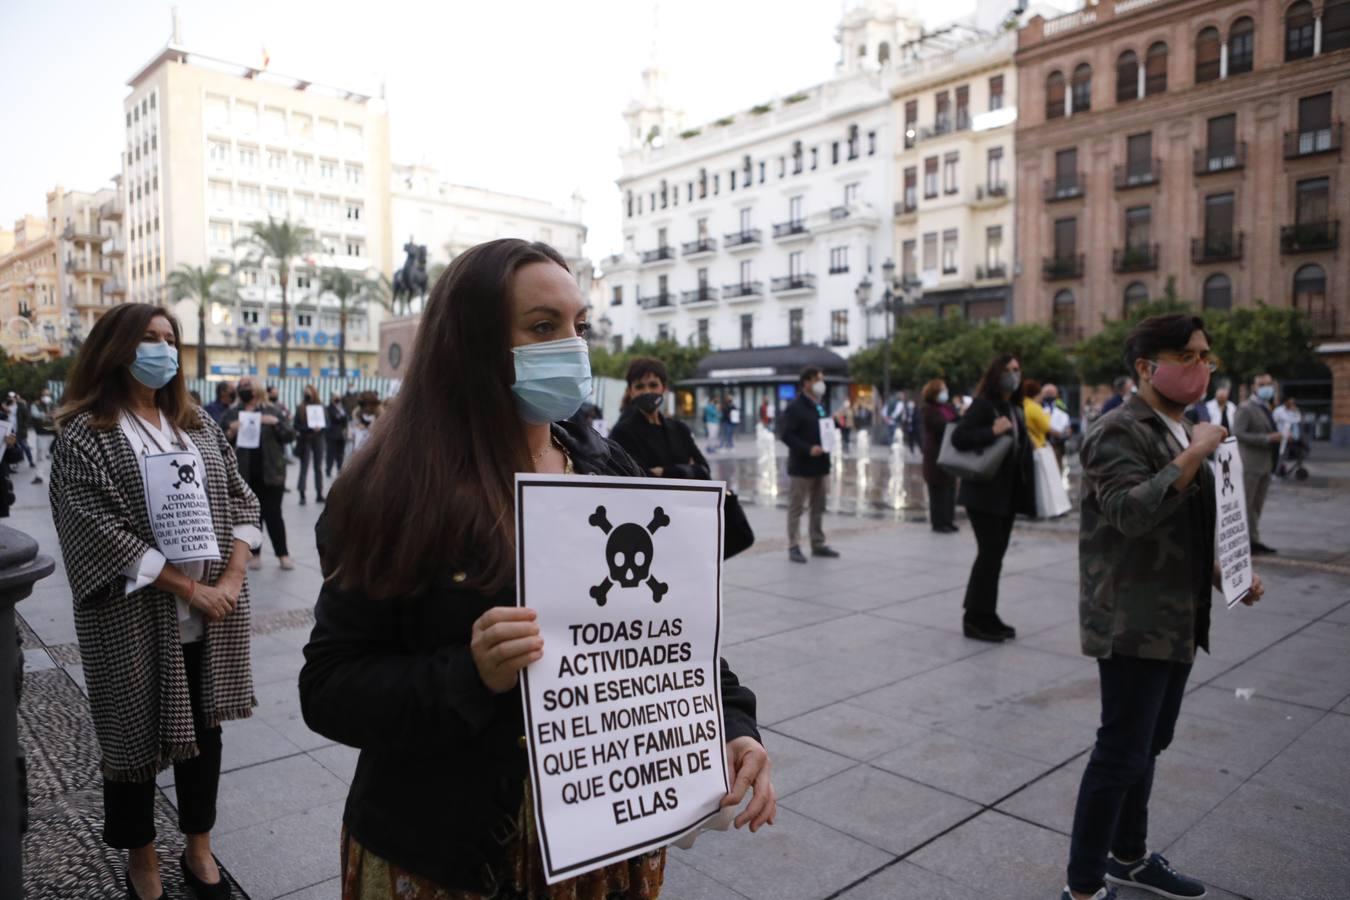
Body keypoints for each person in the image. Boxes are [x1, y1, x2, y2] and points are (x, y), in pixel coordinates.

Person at [298, 238, 775, 899]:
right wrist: (469, 675)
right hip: (448, 854)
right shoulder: (398, 491)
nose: (572, 347)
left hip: (598, 840)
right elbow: (327, 687)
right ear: (474, 343)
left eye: (579, 326)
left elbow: (670, 637)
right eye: (543, 327)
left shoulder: (606, 468)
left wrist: (730, 723)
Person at [47, 302, 261, 900]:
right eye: (148, 337)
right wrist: (188, 586)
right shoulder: (87, 436)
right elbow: (97, 530)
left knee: (206, 737)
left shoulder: (196, 426)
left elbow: (246, 502)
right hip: (133, 619)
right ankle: (142, 859)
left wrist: (231, 581)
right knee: (131, 741)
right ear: (115, 349)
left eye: (170, 338)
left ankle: (198, 848)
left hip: (210, 616)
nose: (163, 348)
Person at [1065, 313, 1265, 900]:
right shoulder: (1118, 431)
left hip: (1177, 619)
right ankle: (1081, 886)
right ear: (1147, 368)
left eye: (1207, 355)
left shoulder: (1186, 429)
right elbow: (1128, 513)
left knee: (1148, 746)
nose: (1202, 367)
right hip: (1130, 619)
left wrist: (1226, 572)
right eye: (1188, 356)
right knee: (1119, 751)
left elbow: (1182, 531)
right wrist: (1193, 457)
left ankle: (1128, 855)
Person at [950, 354, 1035, 642]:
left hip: (1006, 495)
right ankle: (973, 618)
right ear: (997, 373)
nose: (1015, 374)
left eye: (1017, 369)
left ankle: (987, 614)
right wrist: (991, 431)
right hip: (983, 493)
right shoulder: (983, 405)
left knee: (995, 556)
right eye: (1009, 369)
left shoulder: (1013, 406)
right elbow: (959, 438)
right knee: (988, 555)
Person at [222, 376, 296, 571]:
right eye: (242, 386)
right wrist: (231, 431)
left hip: (271, 473)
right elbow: (218, 440)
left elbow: (290, 435)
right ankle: (255, 554)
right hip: (243, 475)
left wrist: (275, 423)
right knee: (250, 517)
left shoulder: (272, 410)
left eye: (248, 385)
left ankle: (283, 554)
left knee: (274, 515)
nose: (245, 389)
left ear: (257, 389)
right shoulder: (232, 413)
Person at [608, 357, 711, 480]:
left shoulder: (680, 429)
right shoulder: (622, 433)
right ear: (630, 391)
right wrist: (686, 470)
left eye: (653, 385)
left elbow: (704, 471)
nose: (647, 391)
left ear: (663, 388)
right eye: (639, 387)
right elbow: (638, 478)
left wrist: (664, 471)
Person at [779, 367, 840, 564]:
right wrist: (807, 449)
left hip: (821, 465)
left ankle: (817, 542)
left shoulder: (819, 405)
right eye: (817, 380)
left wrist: (836, 425)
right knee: (797, 507)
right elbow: (786, 435)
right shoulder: (795, 406)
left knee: (818, 506)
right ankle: (794, 546)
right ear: (806, 383)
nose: (821, 383)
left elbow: (823, 428)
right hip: (802, 466)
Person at [1234, 373, 1282, 555]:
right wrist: (1266, 438)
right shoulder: (1246, 408)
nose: (1266, 387)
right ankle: (1245, 542)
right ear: (1254, 387)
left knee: (1257, 505)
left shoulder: (1266, 407)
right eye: (1262, 384)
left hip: (1265, 464)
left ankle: (1253, 539)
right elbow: (1238, 433)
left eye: (1269, 384)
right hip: (1250, 464)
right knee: (1247, 504)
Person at [920, 378, 958, 534]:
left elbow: (956, 421)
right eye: (942, 389)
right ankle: (938, 523)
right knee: (937, 490)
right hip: (935, 455)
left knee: (950, 488)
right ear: (934, 393)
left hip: (949, 453)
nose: (945, 392)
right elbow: (941, 426)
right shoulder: (929, 410)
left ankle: (948, 520)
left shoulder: (947, 408)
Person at [293, 384, 326, 506]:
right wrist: (308, 428)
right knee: (304, 467)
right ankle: (302, 494)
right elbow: (296, 425)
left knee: (318, 467)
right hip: (305, 439)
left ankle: (319, 493)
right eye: (306, 392)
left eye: (309, 392)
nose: (307, 394)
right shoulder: (300, 407)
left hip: (318, 439)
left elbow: (326, 423)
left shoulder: (321, 407)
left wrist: (320, 428)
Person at [1022, 378, 1051, 450]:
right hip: (1037, 445)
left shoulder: (1023, 405)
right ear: (1037, 394)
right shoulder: (1034, 407)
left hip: (1027, 445)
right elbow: (1046, 427)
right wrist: (1047, 415)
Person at [324, 392, 349, 476]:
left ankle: (339, 468)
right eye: (335, 397)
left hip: (341, 434)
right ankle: (328, 469)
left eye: (338, 397)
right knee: (330, 453)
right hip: (332, 434)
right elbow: (334, 418)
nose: (337, 399)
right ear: (332, 398)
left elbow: (345, 419)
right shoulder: (328, 408)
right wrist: (339, 415)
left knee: (340, 453)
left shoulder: (342, 408)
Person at [31, 388, 57, 465]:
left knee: (54, 453)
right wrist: (46, 414)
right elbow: (34, 414)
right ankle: (39, 475)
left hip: (53, 432)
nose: (46, 396)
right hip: (42, 432)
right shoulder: (35, 405)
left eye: (48, 395)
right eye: (44, 395)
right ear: (41, 396)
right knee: (41, 453)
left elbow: (58, 414)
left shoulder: (53, 404)